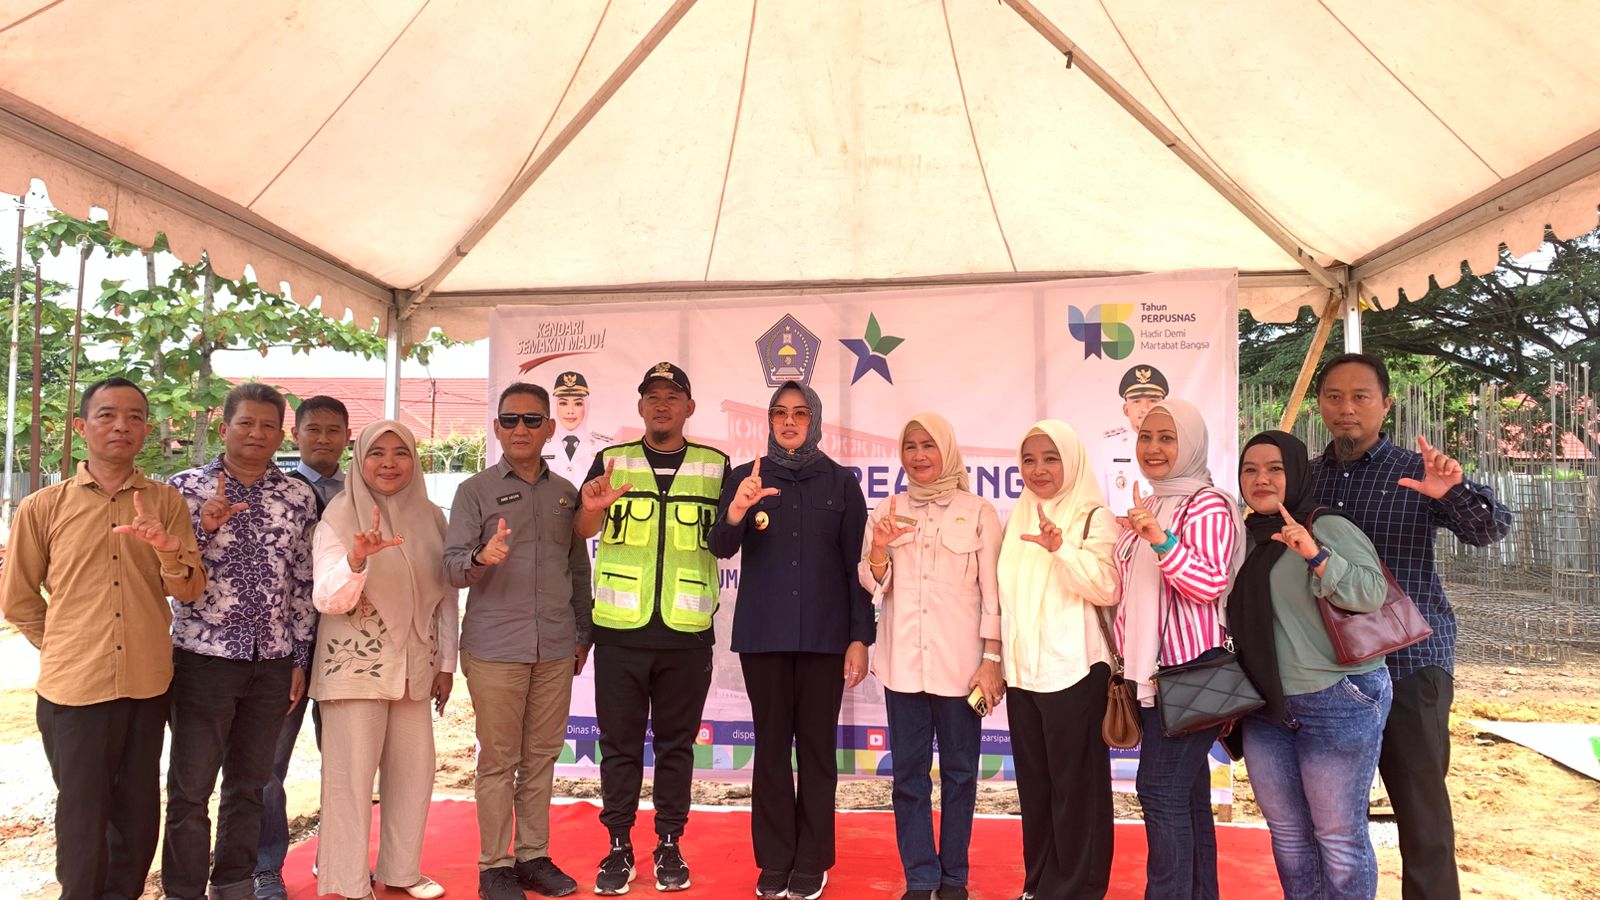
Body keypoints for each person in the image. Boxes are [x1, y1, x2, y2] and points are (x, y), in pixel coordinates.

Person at [1310, 353, 1511, 900]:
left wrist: (1454, 493)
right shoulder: (1306, 477)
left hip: (1410, 662)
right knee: (1329, 816)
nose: (1347, 408)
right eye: (1334, 397)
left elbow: (1490, 530)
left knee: (1421, 812)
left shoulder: (1417, 471)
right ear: (1320, 404)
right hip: (1329, 669)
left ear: (1386, 404)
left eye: (1360, 397)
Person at [1, 377, 206, 900]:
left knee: (137, 813)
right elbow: (18, 598)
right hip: (74, 688)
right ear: (81, 426)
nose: (122, 426)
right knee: (82, 814)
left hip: (147, 682)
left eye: (135, 417)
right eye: (108, 415)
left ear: (146, 430)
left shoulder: (165, 502)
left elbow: (189, 588)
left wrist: (166, 549)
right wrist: (64, 646)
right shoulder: (43, 507)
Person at [710, 382, 874, 900]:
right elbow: (720, 546)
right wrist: (737, 510)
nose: (788, 421)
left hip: (826, 639)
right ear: (769, 420)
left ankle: (812, 860)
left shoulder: (841, 484)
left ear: (814, 420)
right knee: (772, 751)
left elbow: (857, 568)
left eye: (799, 413)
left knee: (819, 752)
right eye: (779, 413)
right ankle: (775, 860)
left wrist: (860, 638)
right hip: (765, 637)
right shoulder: (747, 477)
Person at [575, 362, 733, 895]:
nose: (662, 405)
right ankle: (618, 845)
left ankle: (669, 843)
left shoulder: (716, 466)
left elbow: (728, 539)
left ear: (689, 407)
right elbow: (582, 527)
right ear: (640, 406)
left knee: (676, 747)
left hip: (686, 634)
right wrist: (591, 510)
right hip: (619, 632)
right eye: (653, 397)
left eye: (672, 397)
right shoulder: (612, 460)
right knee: (618, 746)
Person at [164, 382, 319, 900]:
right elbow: (166, 572)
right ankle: (183, 890)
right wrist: (204, 530)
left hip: (272, 662)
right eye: (246, 423)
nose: (257, 433)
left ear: (281, 434)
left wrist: (298, 658)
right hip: (202, 658)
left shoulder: (297, 496)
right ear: (223, 426)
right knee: (190, 790)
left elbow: (303, 582)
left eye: (268, 425)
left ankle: (233, 885)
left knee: (250, 786)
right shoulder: (183, 489)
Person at [445, 383, 593, 900]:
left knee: (542, 757)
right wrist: (480, 558)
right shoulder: (473, 491)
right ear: (497, 428)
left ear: (550, 428)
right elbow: (451, 567)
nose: (521, 429)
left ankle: (533, 857)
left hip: (554, 646)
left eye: (532, 420)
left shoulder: (566, 494)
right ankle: (494, 866)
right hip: (495, 649)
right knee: (498, 760)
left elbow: (578, 570)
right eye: (510, 420)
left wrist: (582, 633)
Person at [1231, 430, 1394, 898]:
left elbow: (1372, 593)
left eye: (1275, 469)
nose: (1261, 479)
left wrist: (1316, 556)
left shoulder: (1326, 525)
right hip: (1267, 707)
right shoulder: (1244, 537)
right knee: (1288, 836)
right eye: (1250, 470)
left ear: (1298, 472)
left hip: (1337, 699)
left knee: (1338, 836)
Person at [310, 419, 458, 900]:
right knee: (350, 780)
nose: (389, 463)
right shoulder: (339, 516)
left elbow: (446, 597)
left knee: (414, 774)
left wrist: (446, 664)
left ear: (415, 461)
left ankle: (401, 870)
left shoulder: (432, 517)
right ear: (360, 460)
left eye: (401, 453)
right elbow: (327, 599)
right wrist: (357, 561)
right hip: (354, 669)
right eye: (377, 453)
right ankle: (349, 883)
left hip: (416, 668)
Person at [858, 414, 1002, 900]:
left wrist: (991, 660)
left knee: (961, 775)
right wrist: (880, 550)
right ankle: (920, 877)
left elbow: (992, 595)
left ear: (947, 449)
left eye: (928, 445)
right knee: (908, 777)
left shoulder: (978, 511)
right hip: (902, 665)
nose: (918, 456)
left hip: (961, 669)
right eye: (910, 446)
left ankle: (954, 877)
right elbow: (873, 582)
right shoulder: (889, 507)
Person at [1112, 398, 1244, 900]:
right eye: (1146, 437)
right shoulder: (1151, 503)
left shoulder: (1207, 504)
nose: (1153, 447)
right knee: (1185, 797)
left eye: (1166, 438)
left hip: (1192, 674)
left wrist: (1162, 541)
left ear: (1188, 444)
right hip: (1154, 677)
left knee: (1159, 791)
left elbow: (1208, 585)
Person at [999, 419, 1120, 900]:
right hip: (1024, 675)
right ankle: (1039, 883)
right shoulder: (1018, 516)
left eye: (1050, 458)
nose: (1039, 469)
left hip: (1075, 672)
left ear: (1071, 459)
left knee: (1077, 791)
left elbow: (1107, 587)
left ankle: (1076, 888)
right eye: (1029, 460)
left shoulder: (1094, 516)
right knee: (1037, 789)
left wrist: (1061, 548)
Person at [255, 394, 350, 900]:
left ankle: (336, 857)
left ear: (348, 437)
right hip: (285, 646)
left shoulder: (363, 493)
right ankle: (265, 867)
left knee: (345, 760)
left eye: (334, 431)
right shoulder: (279, 493)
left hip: (345, 645)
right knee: (267, 764)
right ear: (295, 435)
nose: (323, 439)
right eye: (313, 429)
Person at [1100, 364, 1170, 516]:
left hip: (1164, 527)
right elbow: (1099, 504)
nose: (1145, 408)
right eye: (1137, 401)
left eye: (1152, 400)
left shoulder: (1177, 446)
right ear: (1126, 410)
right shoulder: (1109, 446)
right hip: (1121, 527)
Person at [545, 370, 610, 487]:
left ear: (587, 406)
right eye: (563, 403)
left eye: (578, 404)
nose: (570, 411)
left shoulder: (604, 448)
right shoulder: (540, 446)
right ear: (554, 406)